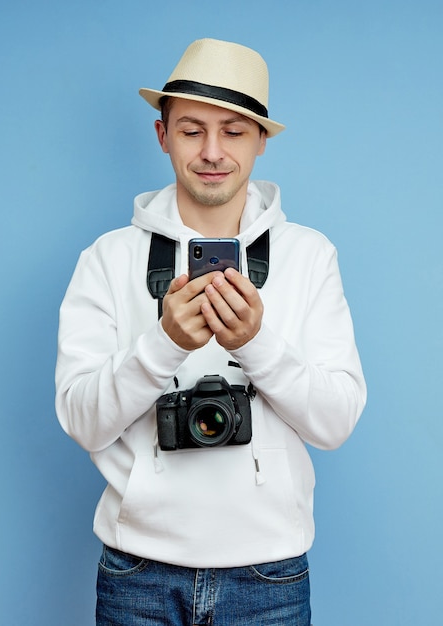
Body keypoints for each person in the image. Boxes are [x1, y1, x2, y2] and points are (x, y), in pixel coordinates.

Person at [55, 38, 366, 626]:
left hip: (270, 573)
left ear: (261, 140)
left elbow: (336, 423)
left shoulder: (309, 256)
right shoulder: (106, 258)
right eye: (193, 130)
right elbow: (80, 421)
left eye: (234, 130)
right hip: (137, 570)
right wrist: (164, 343)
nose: (213, 152)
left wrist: (255, 344)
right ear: (162, 135)